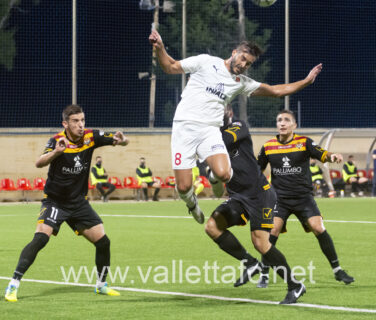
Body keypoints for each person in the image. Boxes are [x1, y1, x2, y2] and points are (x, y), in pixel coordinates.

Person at [149, 29, 323, 224]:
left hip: (210, 130)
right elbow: (170, 66)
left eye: (248, 63)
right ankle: (192, 205)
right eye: (242, 59)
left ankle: (213, 175)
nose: (243, 65)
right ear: (234, 53)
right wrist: (160, 47)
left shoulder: (241, 83)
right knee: (183, 187)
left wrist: (306, 81)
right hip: (184, 128)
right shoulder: (206, 62)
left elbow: (275, 91)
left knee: (224, 174)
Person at [5, 105, 129, 302]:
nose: (80, 125)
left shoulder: (90, 137)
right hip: (55, 202)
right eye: (75, 121)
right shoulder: (57, 141)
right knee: (40, 239)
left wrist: (123, 141)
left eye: (82, 120)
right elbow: (39, 162)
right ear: (65, 124)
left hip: (78, 203)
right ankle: (13, 284)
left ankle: (101, 285)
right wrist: (56, 152)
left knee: (103, 242)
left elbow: (120, 139)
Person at [205, 106, 306, 304]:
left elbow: (221, 142)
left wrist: (199, 142)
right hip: (238, 197)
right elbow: (217, 191)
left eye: (220, 109)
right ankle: (250, 263)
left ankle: (295, 285)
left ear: (229, 113)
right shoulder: (211, 142)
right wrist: (214, 178)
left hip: (260, 194)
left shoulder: (238, 127)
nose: (216, 112)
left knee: (260, 243)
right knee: (212, 227)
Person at [256, 110, 354, 288]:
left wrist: (332, 156)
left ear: (294, 125)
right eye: (279, 120)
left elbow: (321, 153)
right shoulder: (268, 146)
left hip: (303, 198)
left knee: (318, 227)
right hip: (279, 199)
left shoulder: (304, 142)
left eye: (287, 120)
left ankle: (337, 270)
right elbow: (257, 170)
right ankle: (264, 273)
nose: (282, 123)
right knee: (272, 233)